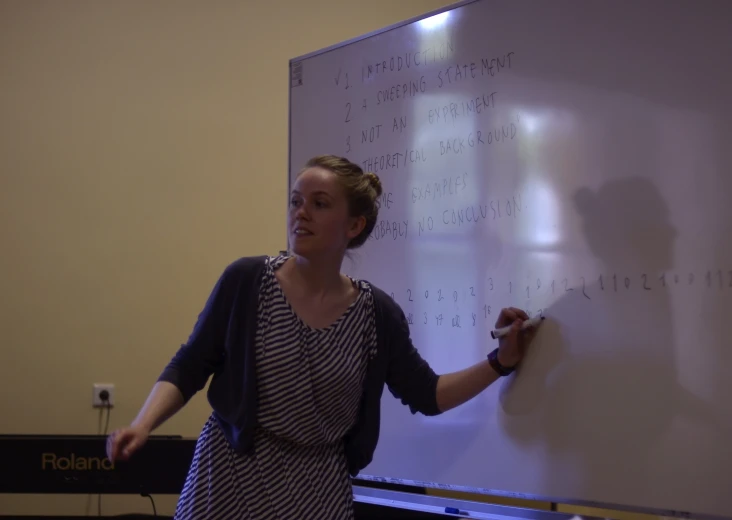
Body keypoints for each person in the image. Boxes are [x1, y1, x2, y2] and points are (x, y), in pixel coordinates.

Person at [106, 155, 539, 519]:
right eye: (295, 201)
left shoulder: (377, 315)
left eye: (319, 203)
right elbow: (190, 364)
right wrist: (143, 425)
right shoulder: (246, 281)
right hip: (229, 478)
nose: (301, 213)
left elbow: (427, 394)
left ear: (354, 226)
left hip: (317, 490)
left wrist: (499, 361)